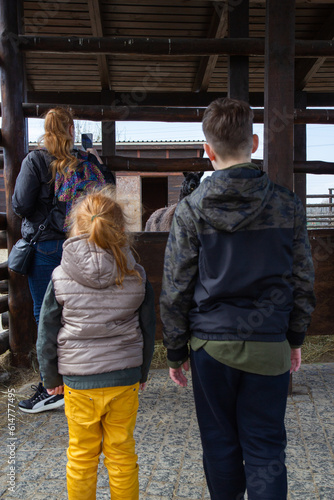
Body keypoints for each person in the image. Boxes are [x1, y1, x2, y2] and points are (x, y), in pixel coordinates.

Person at [160, 98, 316, 500]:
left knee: (220, 445)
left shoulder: (190, 210)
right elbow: (302, 279)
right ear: (256, 141)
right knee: (266, 448)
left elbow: (176, 287)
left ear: (207, 151)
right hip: (269, 342)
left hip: (211, 347)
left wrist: (176, 352)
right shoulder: (287, 204)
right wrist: (295, 337)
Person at [36, 186, 155, 500]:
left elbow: (46, 331)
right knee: (121, 454)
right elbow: (147, 329)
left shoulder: (60, 276)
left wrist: (50, 378)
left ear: (75, 227)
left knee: (81, 456)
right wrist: (141, 373)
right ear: (120, 229)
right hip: (124, 379)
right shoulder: (137, 275)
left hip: (79, 382)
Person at [12, 107, 114, 413]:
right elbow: (107, 193)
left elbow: (20, 204)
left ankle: (50, 387)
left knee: (47, 317)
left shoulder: (37, 160)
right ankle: (86, 379)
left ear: (46, 130)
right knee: (80, 313)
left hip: (45, 249)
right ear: (71, 129)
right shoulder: (85, 162)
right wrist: (95, 157)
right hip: (80, 246)